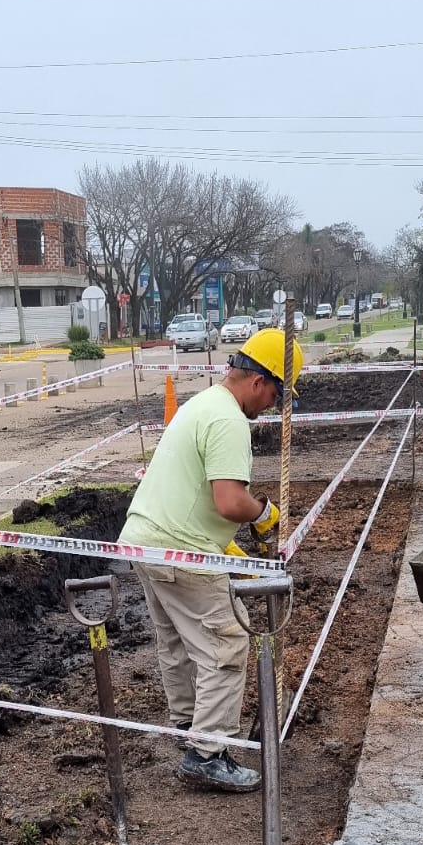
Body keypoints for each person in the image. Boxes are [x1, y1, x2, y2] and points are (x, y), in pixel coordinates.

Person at [119, 329, 302, 793]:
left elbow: (196, 500)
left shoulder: (202, 405)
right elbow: (228, 501)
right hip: (180, 550)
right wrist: (264, 514)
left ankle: (188, 725)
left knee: (178, 642)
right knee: (228, 644)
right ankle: (207, 752)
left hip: (145, 541)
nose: (271, 409)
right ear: (260, 382)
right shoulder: (229, 422)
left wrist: (233, 553)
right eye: (277, 396)